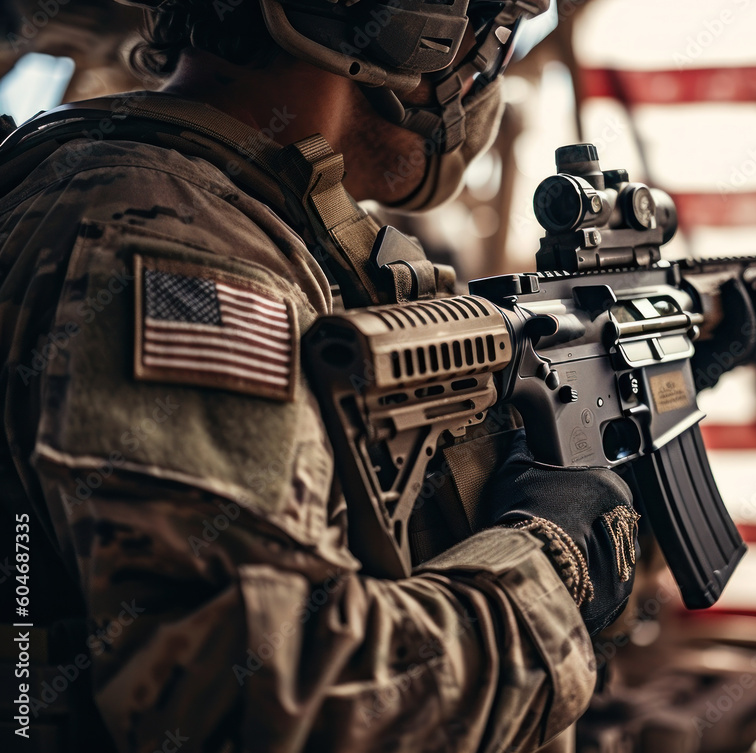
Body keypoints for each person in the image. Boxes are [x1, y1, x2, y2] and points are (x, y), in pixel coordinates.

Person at [0, 0, 640, 751]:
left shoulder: (235, 216)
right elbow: (272, 700)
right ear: (410, 24)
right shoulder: (173, 248)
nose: (483, 68)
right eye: (491, 28)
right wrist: (551, 560)